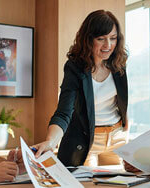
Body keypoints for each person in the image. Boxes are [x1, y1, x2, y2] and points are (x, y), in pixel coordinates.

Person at [33, 10, 128, 167]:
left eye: (113, 38)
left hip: (117, 138)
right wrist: (51, 141)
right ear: (88, 39)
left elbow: (121, 96)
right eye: (101, 39)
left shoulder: (119, 62)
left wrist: (126, 120)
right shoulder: (74, 68)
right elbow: (64, 112)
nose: (108, 45)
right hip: (87, 140)